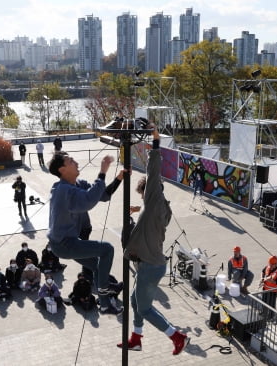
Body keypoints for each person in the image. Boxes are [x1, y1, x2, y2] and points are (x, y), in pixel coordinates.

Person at [120, 126, 188, 355]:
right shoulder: (162, 207)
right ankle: (136, 338)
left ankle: (177, 336)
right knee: (134, 301)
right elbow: (153, 216)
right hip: (151, 263)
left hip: (149, 265)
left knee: (145, 308)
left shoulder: (153, 194)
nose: (143, 195)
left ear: (148, 191)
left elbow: (154, 171)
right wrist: (141, 210)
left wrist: (156, 144)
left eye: (143, 194)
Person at [47, 151, 121, 315]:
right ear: (62, 170)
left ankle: (106, 300)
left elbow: (102, 195)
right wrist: (102, 172)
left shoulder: (76, 184)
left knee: (97, 266)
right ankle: (105, 292)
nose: (75, 161)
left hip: (69, 241)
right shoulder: (62, 190)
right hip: (64, 244)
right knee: (107, 249)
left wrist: (119, 178)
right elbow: (88, 201)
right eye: (70, 160)